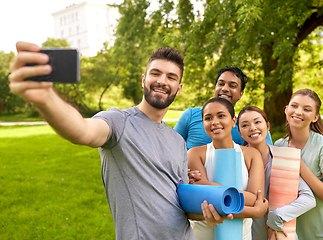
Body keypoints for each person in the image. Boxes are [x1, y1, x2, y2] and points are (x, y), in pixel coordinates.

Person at [8, 42, 227, 240]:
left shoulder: (178, 141)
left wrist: (208, 213)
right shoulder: (118, 122)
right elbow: (82, 131)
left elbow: (181, 205)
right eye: (156, 73)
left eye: (171, 77)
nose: (162, 81)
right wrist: (47, 99)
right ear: (144, 79)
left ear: (179, 88)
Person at [187, 97, 268, 240]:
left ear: (233, 121)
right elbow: (201, 202)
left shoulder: (251, 155)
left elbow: (254, 198)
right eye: (208, 118)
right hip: (203, 235)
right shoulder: (195, 154)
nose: (215, 122)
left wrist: (206, 186)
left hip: (241, 235)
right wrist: (253, 211)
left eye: (221, 115)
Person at [274, 88, 323, 239]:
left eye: (307, 109)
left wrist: (300, 165)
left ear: (315, 117)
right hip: (296, 234)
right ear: (286, 109)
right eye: (294, 106)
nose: (298, 112)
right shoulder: (279, 145)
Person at [237, 106, 316, 240]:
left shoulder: (282, 157)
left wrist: (277, 215)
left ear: (267, 126)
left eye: (257, 122)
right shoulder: (236, 160)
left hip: (280, 234)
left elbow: (309, 199)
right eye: (245, 125)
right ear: (240, 133)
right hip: (246, 234)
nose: (252, 128)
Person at [174, 66, 273, 150]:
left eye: (232, 86)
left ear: (240, 94)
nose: (225, 89)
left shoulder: (249, 125)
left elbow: (267, 157)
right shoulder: (191, 115)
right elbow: (170, 147)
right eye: (220, 84)